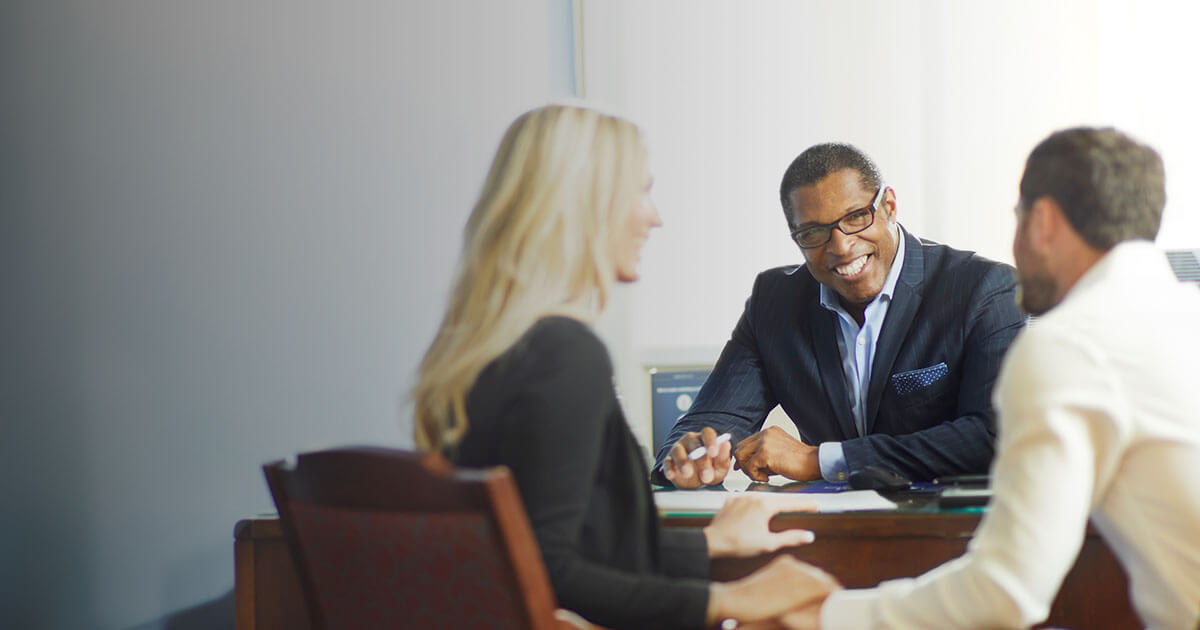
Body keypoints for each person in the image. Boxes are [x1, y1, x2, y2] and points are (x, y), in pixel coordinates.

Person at [411, 104, 839, 630]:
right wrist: (730, 601)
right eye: (640, 191)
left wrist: (710, 542)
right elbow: (553, 571)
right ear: (585, 206)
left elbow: (561, 545)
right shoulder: (564, 354)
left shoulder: (479, 353)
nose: (653, 216)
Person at [776, 127, 1200, 629]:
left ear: (1041, 222)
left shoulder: (1069, 344)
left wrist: (824, 615)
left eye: (1016, 219)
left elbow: (1007, 592)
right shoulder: (1182, 313)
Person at [653, 143, 1025, 488]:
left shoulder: (983, 289)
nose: (842, 247)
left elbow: (994, 437)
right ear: (796, 238)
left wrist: (822, 460)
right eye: (814, 233)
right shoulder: (775, 302)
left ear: (889, 207)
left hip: (951, 536)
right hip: (829, 538)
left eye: (856, 217)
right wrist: (691, 460)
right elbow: (713, 419)